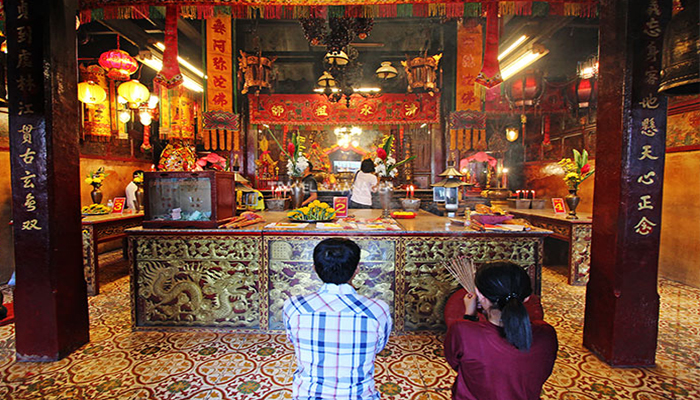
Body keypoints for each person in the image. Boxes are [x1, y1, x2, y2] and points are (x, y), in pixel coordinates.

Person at [284, 238, 392, 400]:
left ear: (314, 268)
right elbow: (378, 347)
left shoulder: (294, 307)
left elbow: (293, 340)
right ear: (356, 269)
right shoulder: (377, 311)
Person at [444, 261, 558, 400]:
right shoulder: (547, 334)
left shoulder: (462, 331)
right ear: (527, 298)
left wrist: (469, 316)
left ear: (480, 296)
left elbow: (457, 364)